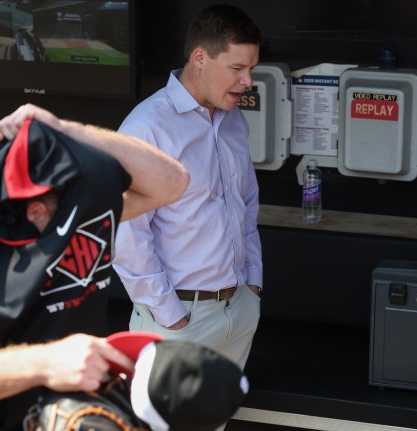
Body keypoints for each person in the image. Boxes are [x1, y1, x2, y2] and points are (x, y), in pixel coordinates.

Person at [0, 103, 189, 431]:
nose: (89, 213)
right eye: (77, 207)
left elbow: (172, 182)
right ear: (36, 212)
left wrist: (63, 127)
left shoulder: (85, 221)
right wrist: (43, 363)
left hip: (76, 417)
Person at [111, 3, 263, 371]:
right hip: (179, 322)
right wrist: (171, 317)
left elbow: (245, 205)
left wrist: (252, 287)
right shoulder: (146, 129)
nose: (248, 81)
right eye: (237, 68)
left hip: (237, 311)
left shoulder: (233, 119)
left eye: (251, 69)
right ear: (200, 58)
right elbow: (126, 235)